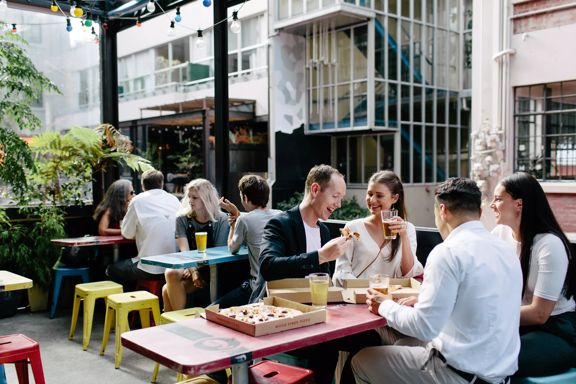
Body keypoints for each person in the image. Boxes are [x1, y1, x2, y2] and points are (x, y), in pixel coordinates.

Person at [353, 177, 522, 384]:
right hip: (499, 376)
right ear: (479, 213)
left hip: (456, 376)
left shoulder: (447, 252)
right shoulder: (506, 249)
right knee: (404, 342)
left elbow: (425, 326)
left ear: (442, 210)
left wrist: (383, 306)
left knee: (361, 360)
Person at [256, 164, 367, 384]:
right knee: (325, 350)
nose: (339, 204)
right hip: (282, 316)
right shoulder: (280, 223)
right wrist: (319, 256)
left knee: (368, 341)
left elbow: (322, 281)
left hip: (316, 318)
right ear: (315, 189)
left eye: (341, 198)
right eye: (335, 196)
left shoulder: (324, 230)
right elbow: (268, 266)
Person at [490, 172, 576, 377]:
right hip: (516, 322)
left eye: (498, 199)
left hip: (555, 329)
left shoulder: (549, 245)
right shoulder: (499, 235)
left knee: (496, 357)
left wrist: (489, 315)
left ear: (519, 204)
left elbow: (540, 313)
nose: (491, 204)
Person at [332, 170, 422, 287]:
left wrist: (403, 236)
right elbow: (341, 271)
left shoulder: (408, 229)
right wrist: (367, 289)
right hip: (356, 295)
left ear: (394, 198)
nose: (372, 200)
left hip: (390, 298)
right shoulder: (351, 227)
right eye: (369, 194)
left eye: (379, 195)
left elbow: (408, 273)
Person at [162, 178, 230, 312]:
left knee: (166, 290)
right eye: (189, 197)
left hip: (211, 268)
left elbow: (218, 254)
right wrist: (193, 270)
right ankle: (180, 322)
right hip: (189, 263)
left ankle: (173, 325)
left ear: (206, 199)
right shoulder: (182, 218)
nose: (190, 201)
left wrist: (195, 269)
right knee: (170, 273)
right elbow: (184, 251)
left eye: (195, 198)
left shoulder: (220, 219)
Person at [106, 169, 181, 289]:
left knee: (112, 269)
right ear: (161, 184)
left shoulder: (137, 201)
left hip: (150, 269)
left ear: (142, 186)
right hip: (174, 267)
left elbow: (127, 234)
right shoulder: (174, 200)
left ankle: (129, 304)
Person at [215, 175, 281, 308]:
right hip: (279, 287)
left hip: (256, 288)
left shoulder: (244, 220)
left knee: (213, 308)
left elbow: (232, 248)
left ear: (245, 197)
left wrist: (233, 225)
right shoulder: (280, 214)